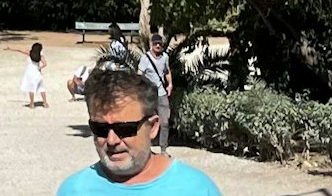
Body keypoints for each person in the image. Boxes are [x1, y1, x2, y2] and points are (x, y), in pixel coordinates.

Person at [58, 68, 221, 194]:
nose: (112, 140)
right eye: (100, 129)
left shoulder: (196, 189)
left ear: (153, 127)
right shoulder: (73, 190)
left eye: (124, 129)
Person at [139, 34, 175, 156]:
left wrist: (170, 84)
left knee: (165, 121)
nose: (158, 46)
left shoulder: (165, 57)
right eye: (155, 44)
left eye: (160, 43)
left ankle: (163, 149)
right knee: (147, 122)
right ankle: (145, 148)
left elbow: (167, 71)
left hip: (161, 93)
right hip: (149, 95)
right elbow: (140, 74)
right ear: (151, 44)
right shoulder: (145, 58)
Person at [5, 42, 48, 108]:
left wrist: (10, 48)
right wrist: (39, 67)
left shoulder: (29, 53)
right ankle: (45, 103)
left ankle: (32, 104)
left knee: (31, 89)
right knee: (41, 88)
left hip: (30, 73)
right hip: (37, 73)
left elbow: (19, 49)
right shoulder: (40, 56)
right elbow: (45, 64)